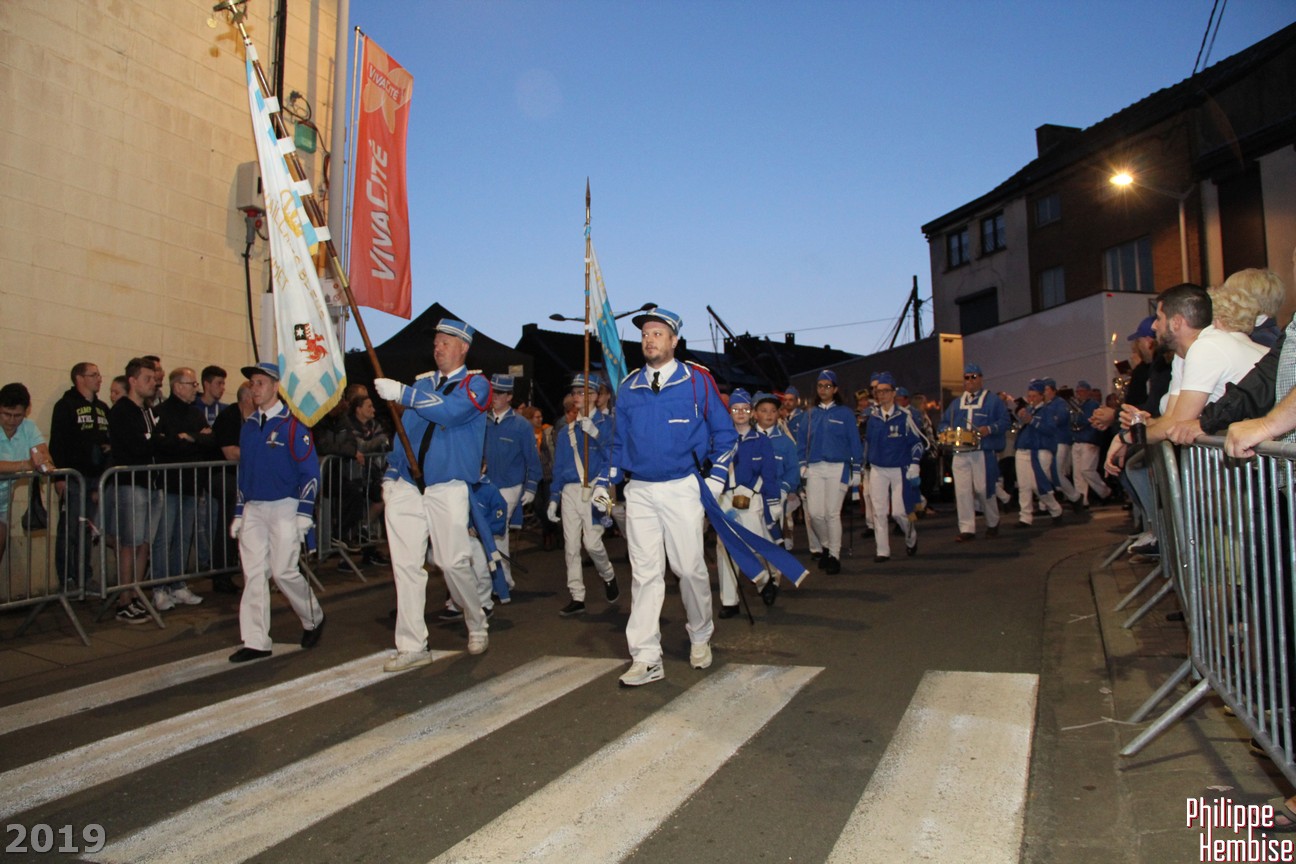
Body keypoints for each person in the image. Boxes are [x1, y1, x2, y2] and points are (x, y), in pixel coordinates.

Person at [595, 308, 736, 687]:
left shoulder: (697, 382)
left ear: (674, 340)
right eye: (645, 334)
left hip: (682, 486)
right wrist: (604, 480)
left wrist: (716, 480)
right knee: (644, 574)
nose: (649, 339)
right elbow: (618, 442)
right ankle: (645, 656)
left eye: (658, 333)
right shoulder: (629, 386)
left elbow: (725, 434)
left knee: (688, 568)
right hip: (639, 489)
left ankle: (701, 633)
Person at [373, 319, 492, 671]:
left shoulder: (477, 385)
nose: (438, 348)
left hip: (447, 486)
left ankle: (476, 619)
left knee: (452, 562)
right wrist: (392, 474)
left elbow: (451, 412)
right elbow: (406, 433)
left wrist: (404, 394)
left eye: (446, 342)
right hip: (408, 487)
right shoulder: (423, 383)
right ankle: (412, 645)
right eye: (436, 342)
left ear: (464, 348)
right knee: (406, 565)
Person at [227, 362, 324, 663]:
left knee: (283, 571)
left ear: (276, 386)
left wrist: (304, 512)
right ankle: (256, 640)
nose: (254, 389)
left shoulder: (293, 425)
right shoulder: (248, 427)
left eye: (260, 383)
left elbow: (310, 472)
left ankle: (313, 617)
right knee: (254, 573)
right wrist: (239, 511)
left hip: (285, 505)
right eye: (252, 383)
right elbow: (244, 473)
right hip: (254, 508)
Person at [548, 373, 618, 617]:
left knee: (593, 543)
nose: (577, 396)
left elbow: (614, 456)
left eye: (583, 392)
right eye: (575, 392)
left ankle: (608, 574)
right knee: (571, 546)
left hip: (599, 487)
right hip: (570, 491)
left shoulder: (607, 424)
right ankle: (577, 595)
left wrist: (597, 435)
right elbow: (559, 467)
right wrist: (554, 497)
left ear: (595, 396)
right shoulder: (566, 431)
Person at [151, 367, 215, 610]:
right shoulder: (160, 412)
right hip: (168, 484)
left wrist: (189, 437)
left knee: (184, 537)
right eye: (192, 384)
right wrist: (191, 439)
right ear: (177, 386)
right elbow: (162, 445)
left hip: (191, 484)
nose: (196, 389)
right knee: (164, 537)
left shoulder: (196, 414)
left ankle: (178, 584)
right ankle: (159, 587)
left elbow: (211, 440)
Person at [715, 389, 780, 617]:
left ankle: (765, 581)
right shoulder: (720, 440)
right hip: (725, 499)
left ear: (751, 412)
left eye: (744, 409)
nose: (740, 413)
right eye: (735, 409)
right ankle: (729, 602)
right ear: (729, 413)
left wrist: (773, 501)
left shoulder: (761, 441)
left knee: (754, 545)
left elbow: (769, 473)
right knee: (725, 549)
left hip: (752, 498)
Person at [106, 358, 161, 624]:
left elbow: (155, 442)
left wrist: (155, 441)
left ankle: (136, 593)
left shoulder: (147, 411)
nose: (153, 383)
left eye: (154, 378)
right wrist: (156, 441)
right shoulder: (122, 411)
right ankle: (124, 600)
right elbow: (137, 447)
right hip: (131, 484)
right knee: (130, 544)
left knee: (144, 544)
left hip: (151, 483)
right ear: (133, 380)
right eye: (147, 379)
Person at [47, 363, 111, 592]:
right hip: (73, 477)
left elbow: (109, 439)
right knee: (70, 529)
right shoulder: (65, 406)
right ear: (79, 378)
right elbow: (57, 442)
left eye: (99, 374)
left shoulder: (103, 408)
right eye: (94, 375)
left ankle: (84, 576)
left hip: (95, 478)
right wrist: (59, 477)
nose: (99, 379)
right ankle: (67, 579)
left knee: (87, 529)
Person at [482, 374, 540, 592]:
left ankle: (497, 582)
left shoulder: (521, 426)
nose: (494, 397)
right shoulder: (483, 422)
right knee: (497, 533)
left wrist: (531, 486)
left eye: (499, 393)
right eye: (492, 393)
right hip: (486, 486)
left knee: (496, 529)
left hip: (510, 487)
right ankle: (503, 579)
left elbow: (532, 459)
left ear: (509, 397)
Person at [800, 369, 861, 575]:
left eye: (827, 386)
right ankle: (826, 545)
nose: (823, 389)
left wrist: (857, 469)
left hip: (838, 467)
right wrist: (802, 465)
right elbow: (801, 442)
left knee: (832, 514)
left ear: (835, 389)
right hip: (815, 468)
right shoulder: (809, 414)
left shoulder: (845, 413)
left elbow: (854, 441)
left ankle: (834, 555)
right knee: (815, 514)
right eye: (820, 386)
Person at [939, 363, 1009, 541]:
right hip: (960, 451)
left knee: (983, 488)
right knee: (962, 491)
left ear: (980, 378)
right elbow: (944, 422)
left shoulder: (992, 400)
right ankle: (967, 528)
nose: (970, 380)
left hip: (981, 451)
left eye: (973, 377)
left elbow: (1005, 421)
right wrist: (946, 431)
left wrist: (990, 429)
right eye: (966, 377)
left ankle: (992, 521)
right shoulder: (956, 403)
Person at [863, 373, 925, 562]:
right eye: (878, 391)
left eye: (885, 391)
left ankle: (911, 537)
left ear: (893, 393)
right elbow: (867, 443)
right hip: (877, 469)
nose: (881, 395)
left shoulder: (905, 416)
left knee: (899, 512)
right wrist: (861, 465)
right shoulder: (873, 418)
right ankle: (882, 550)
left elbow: (918, 442)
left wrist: (915, 463)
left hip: (899, 469)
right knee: (879, 511)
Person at [1, 383, 53, 574]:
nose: (12, 420)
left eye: (18, 416)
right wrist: (26, 464)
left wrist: (43, 462)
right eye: (6, 414)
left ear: (26, 412)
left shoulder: (28, 428)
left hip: (3, 502)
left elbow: (44, 455)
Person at [1013, 380, 1063, 527]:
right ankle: (1025, 517)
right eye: (1029, 396)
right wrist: (1020, 419)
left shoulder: (1048, 411)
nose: (1031, 399)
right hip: (1023, 450)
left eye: (1034, 396)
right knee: (1023, 486)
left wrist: (1032, 421)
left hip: (1040, 450)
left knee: (1038, 485)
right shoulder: (1028, 410)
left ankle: (1055, 509)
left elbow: (1050, 430)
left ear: (1041, 396)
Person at [1070, 381, 1111, 505]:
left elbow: (1087, 420)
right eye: (1078, 391)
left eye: (1082, 391)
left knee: (1087, 469)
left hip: (1089, 441)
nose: (1079, 394)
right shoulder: (1077, 406)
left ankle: (1104, 492)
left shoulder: (1093, 405)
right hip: (1077, 440)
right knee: (1078, 474)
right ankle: (1082, 500)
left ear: (1088, 392)